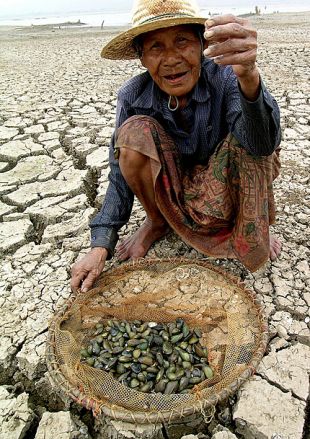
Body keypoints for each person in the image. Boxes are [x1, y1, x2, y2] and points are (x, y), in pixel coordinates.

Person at [71, 0, 281, 293]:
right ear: (141, 57)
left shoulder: (226, 77)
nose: (171, 59)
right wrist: (101, 244)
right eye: (156, 47)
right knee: (131, 135)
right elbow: (119, 173)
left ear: (200, 44)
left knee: (253, 134)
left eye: (182, 41)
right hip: (176, 182)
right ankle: (157, 222)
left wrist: (249, 77)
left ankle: (251, 223)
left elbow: (262, 146)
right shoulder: (133, 95)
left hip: (226, 180)